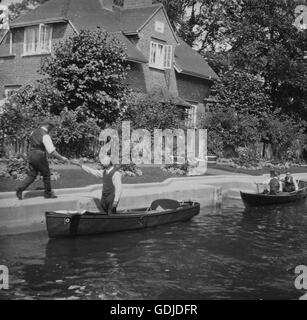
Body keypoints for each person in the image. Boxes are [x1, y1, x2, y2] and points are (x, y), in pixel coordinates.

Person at [16, 120, 69, 200]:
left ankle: (20, 189)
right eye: (52, 128)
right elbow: (51, 151)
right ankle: (48, 194)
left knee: (32, 175)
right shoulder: (45, 136)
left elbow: (32, 143)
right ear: (48, 126)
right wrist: (62, 158)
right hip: (39, 156)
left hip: (31, 155)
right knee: (46, 175)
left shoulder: (33, 132)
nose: (52, 130)